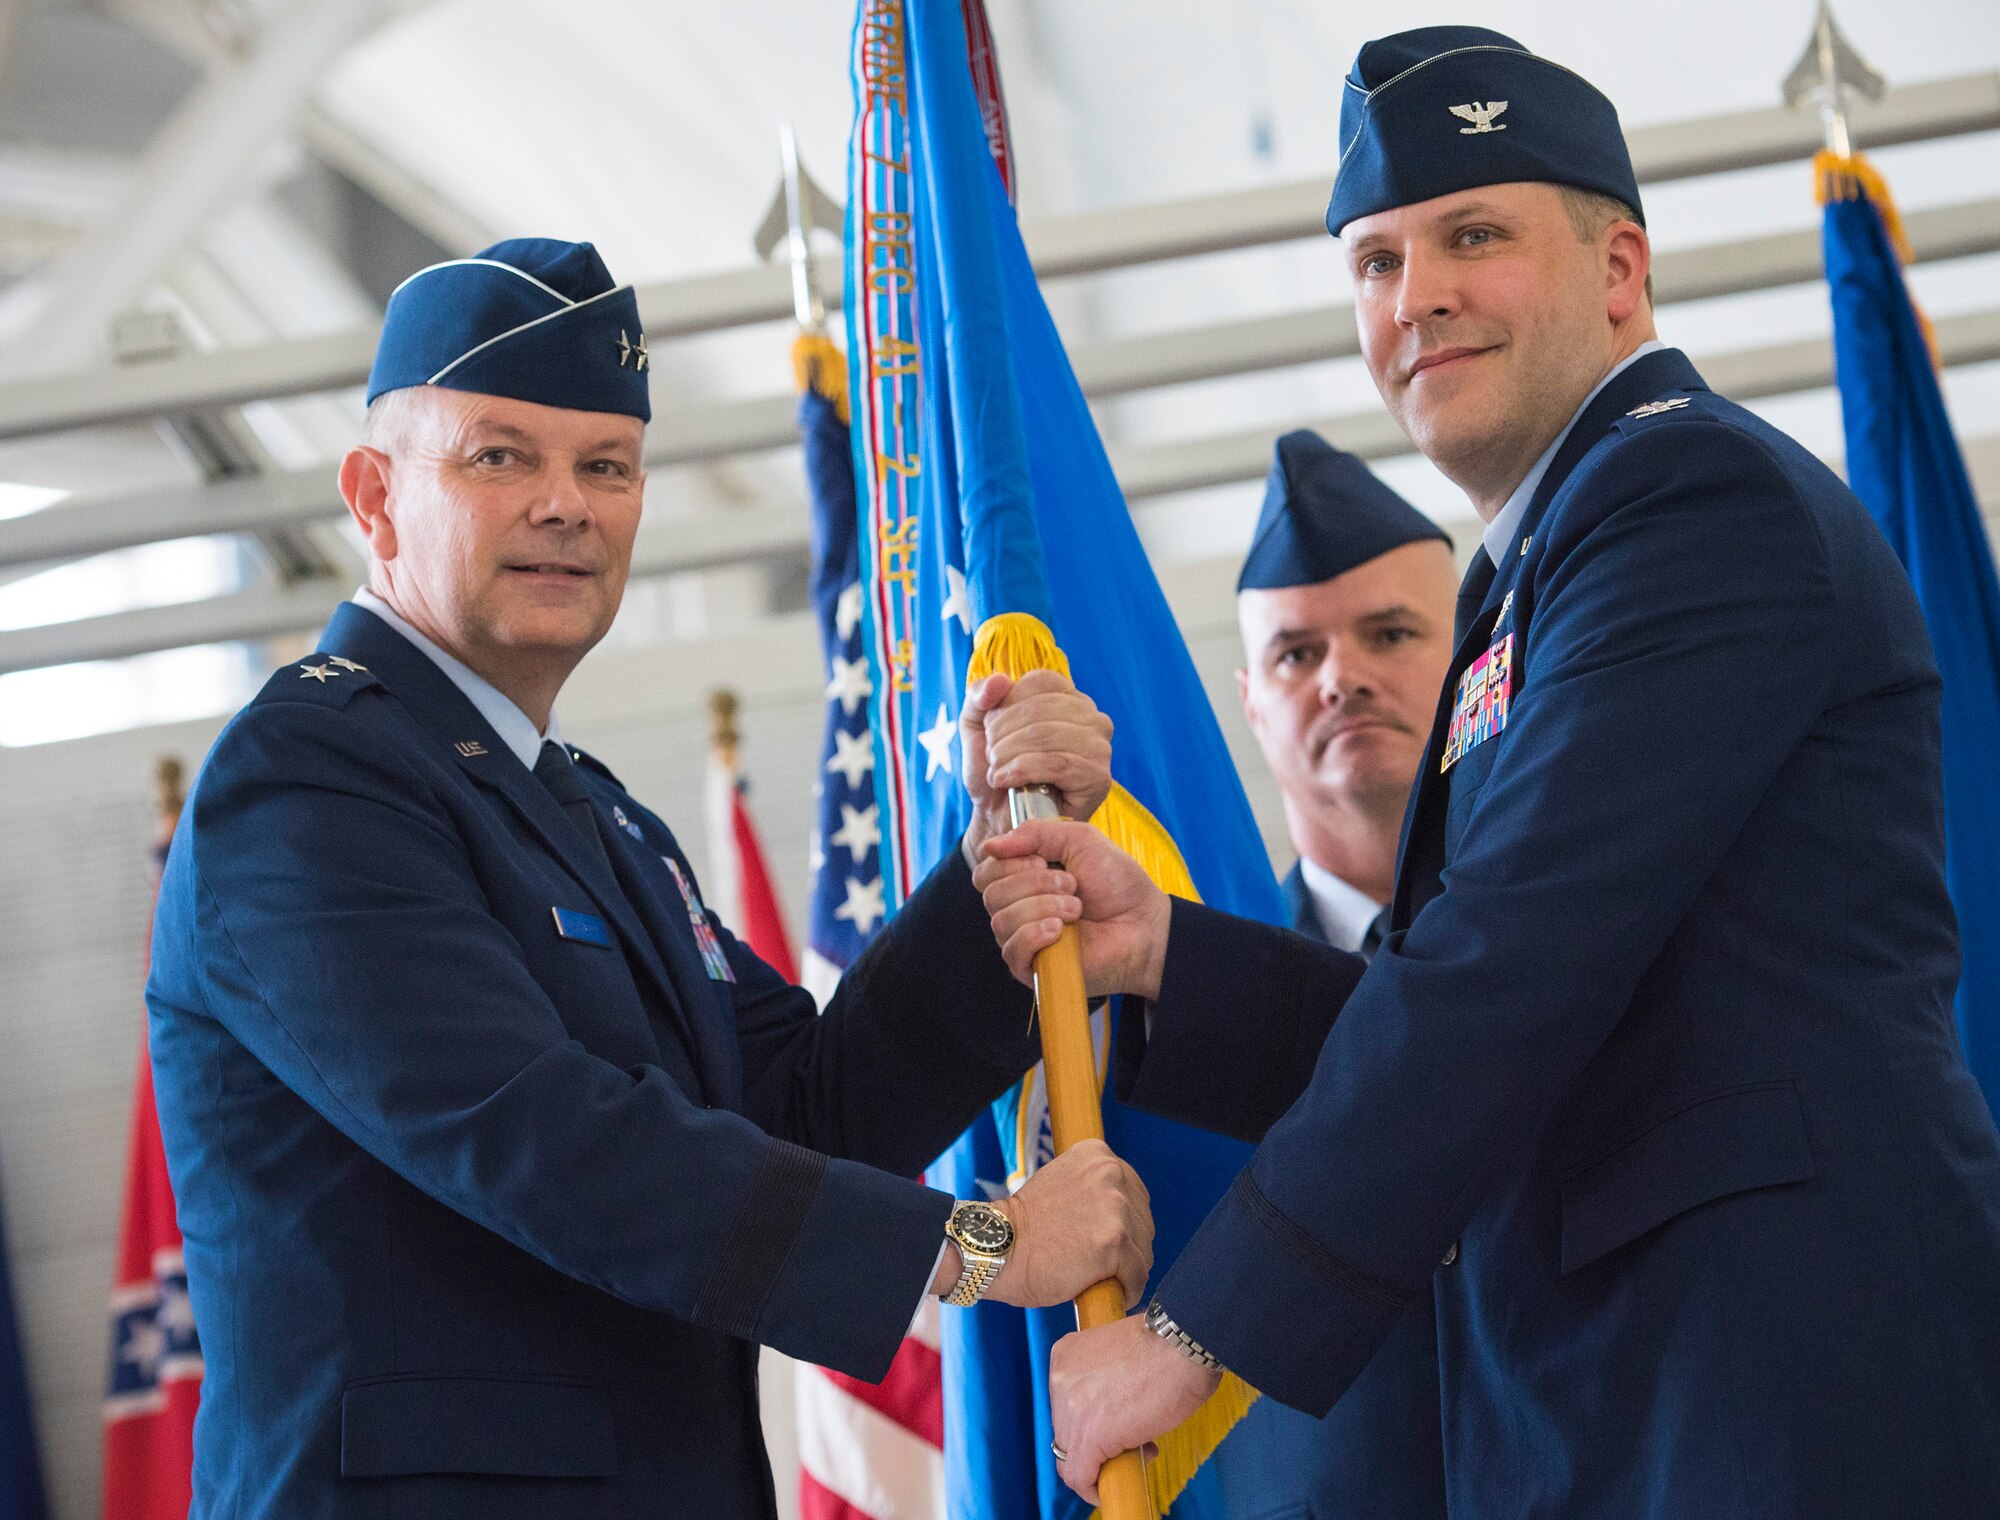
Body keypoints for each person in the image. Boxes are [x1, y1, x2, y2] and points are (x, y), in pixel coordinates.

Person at [979, 28, 2000, 1519]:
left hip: (1766, 1401)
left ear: (1620, 271)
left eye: (1473, 237)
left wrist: (1195, 1336)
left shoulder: (1687, 498)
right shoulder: (1544, 568)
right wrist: (1167, 957)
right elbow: (1501, 997)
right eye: (1377, 263)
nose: (1419, 297)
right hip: (1644, 1407)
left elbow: (1510, 963)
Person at [145, 238, 1153, 1520]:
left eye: (606, 464)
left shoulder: (594, 813)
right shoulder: (303, 780)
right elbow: (538, 1136)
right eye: (500, 454)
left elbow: (801, 1106)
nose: (567, 502)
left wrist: (992, 885)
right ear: (374, 494)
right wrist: (978, 1247)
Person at [1212, 430, 1454, 1519]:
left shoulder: (1615, 941)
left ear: (1478, 651)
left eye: (1390, 632)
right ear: (1251, 700)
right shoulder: (1179, 1026)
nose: (1340, 676)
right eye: (1294, 654)